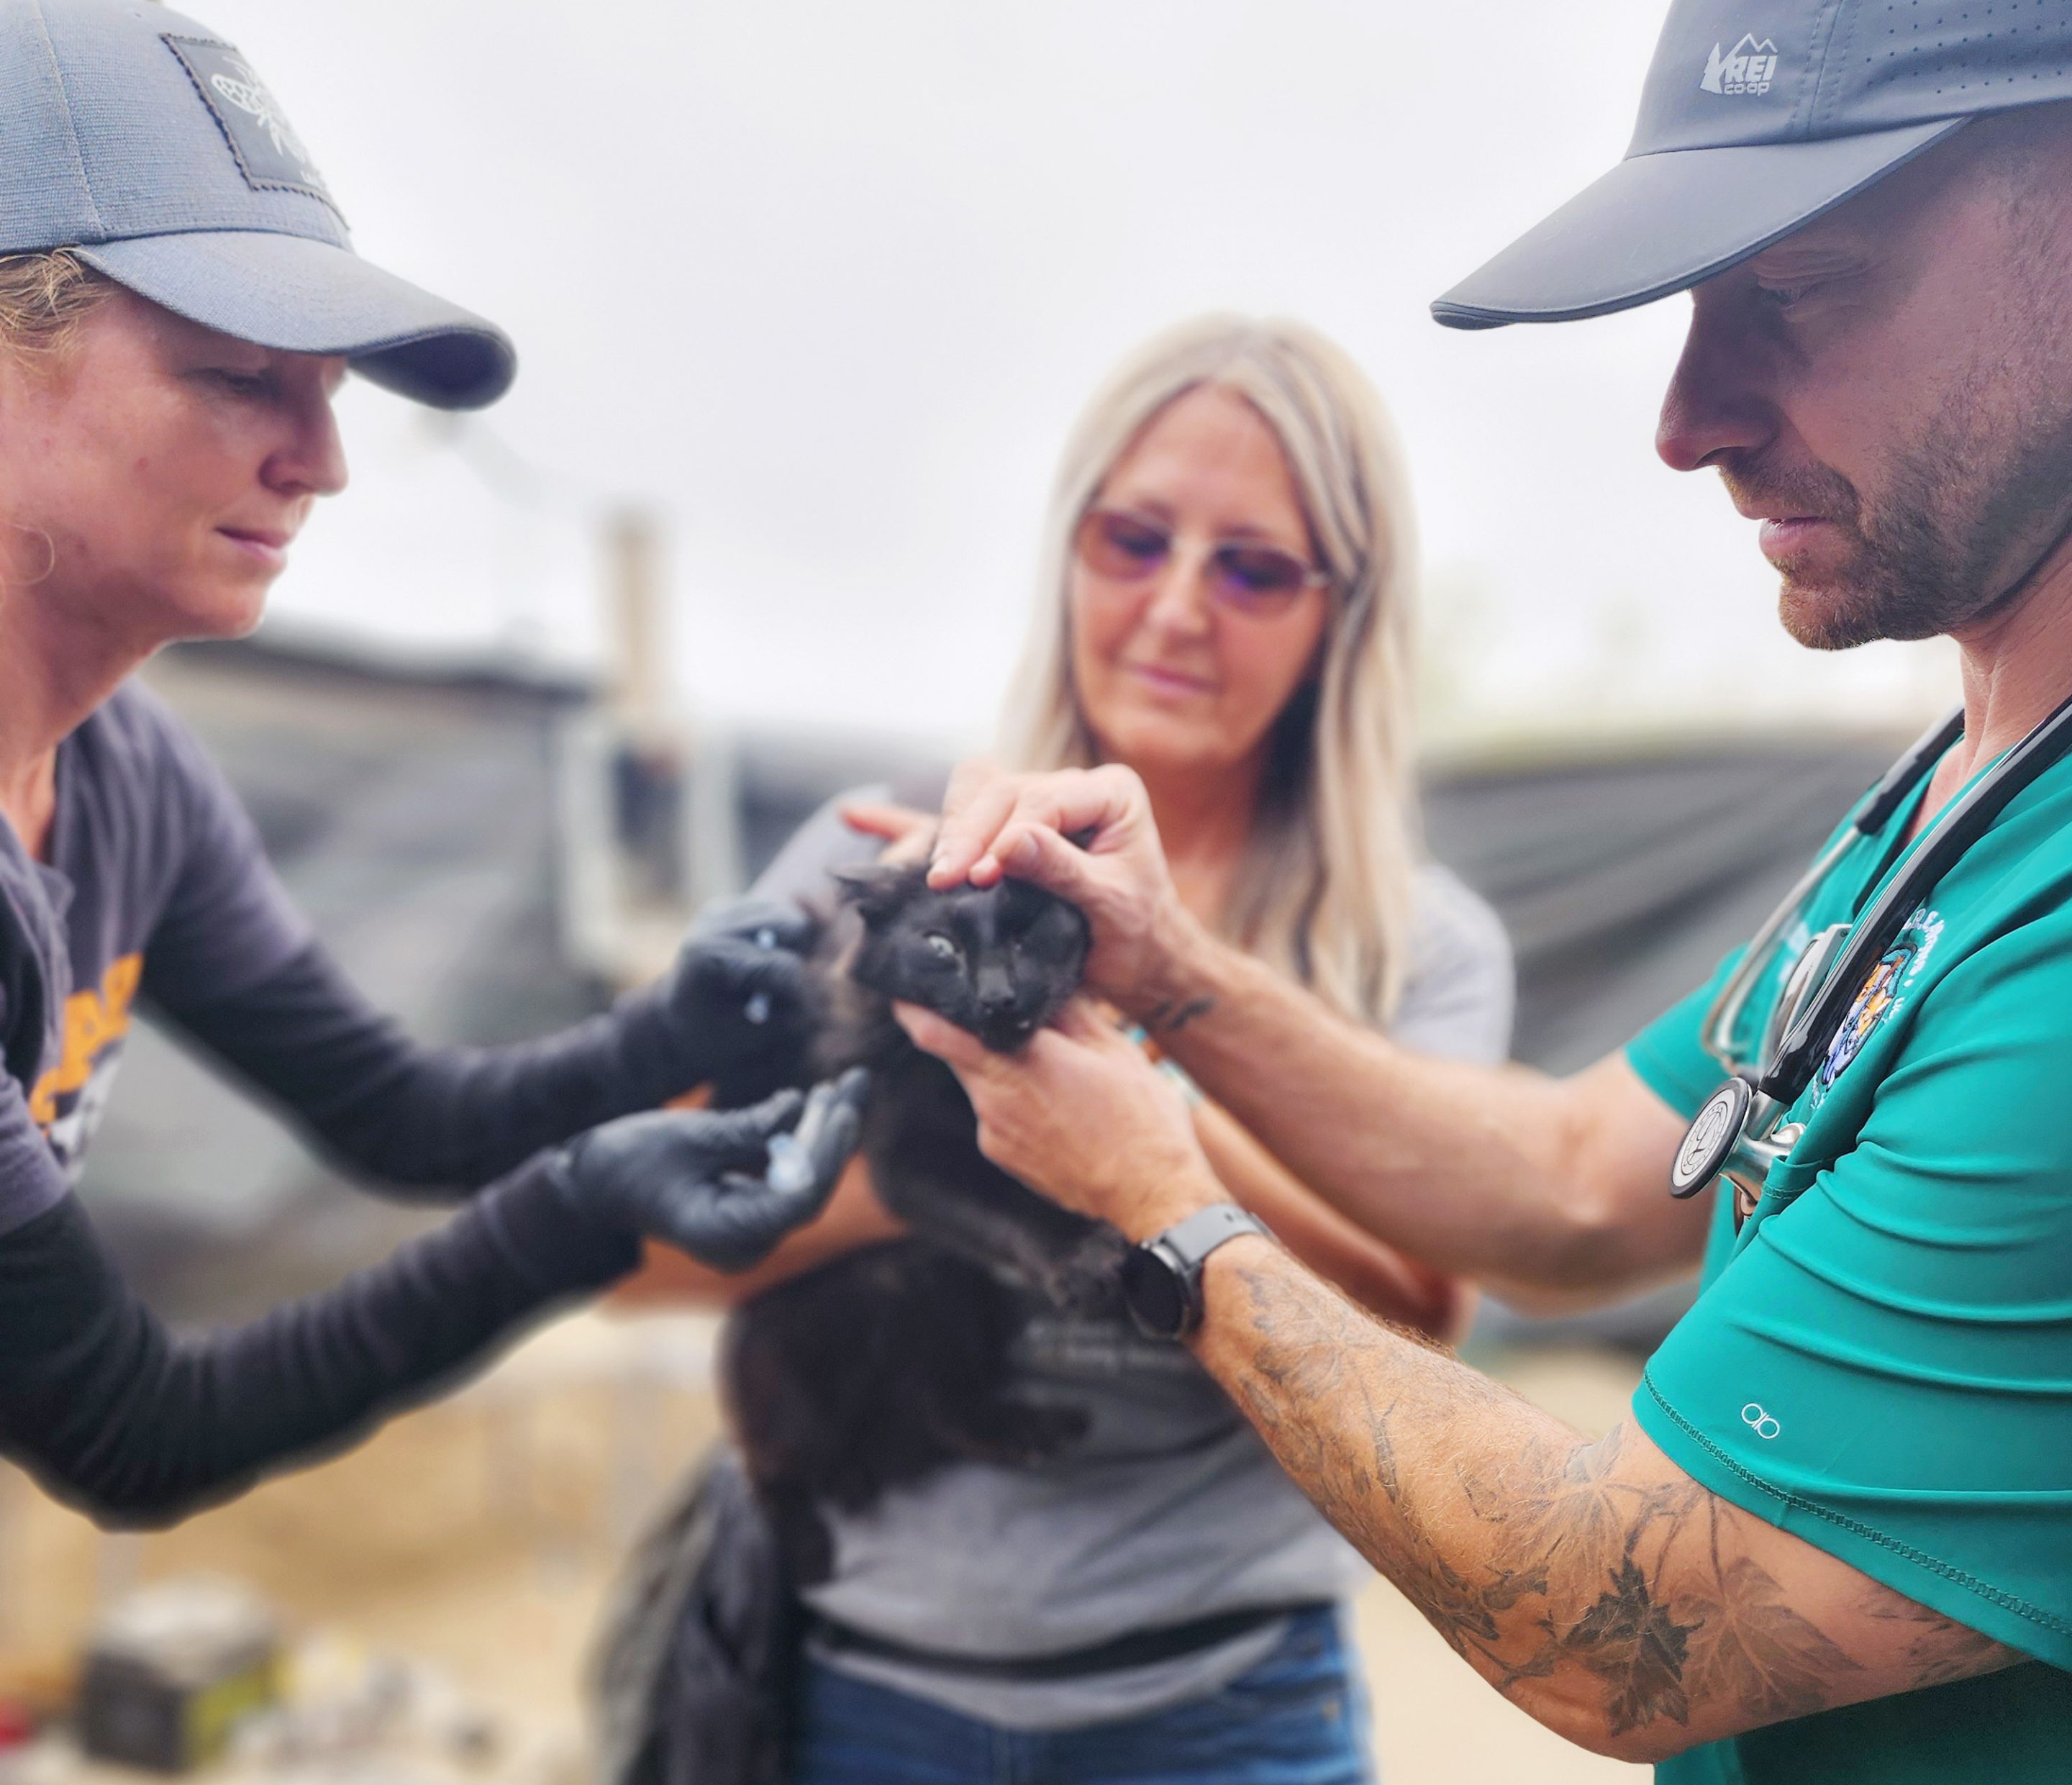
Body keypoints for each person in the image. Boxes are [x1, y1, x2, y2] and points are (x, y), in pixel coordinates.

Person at [899, 8, 2072, 1784]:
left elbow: (1615, 1619)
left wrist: (1152, 1190)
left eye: (1803, 286)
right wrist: (1174, 964)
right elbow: (1580, 1182)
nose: (1688, 420)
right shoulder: (1952, 801)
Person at [0, 0, 866, 1527]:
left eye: (327, 390)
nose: (322, 462)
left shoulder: (123, 773)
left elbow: (403, 1115)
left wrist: (679, 1024)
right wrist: (580, 1208)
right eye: (235, 373)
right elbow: (132, 1424)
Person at [627, 316, 1514, 1784]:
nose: (1174, 610)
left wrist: (1145, 1083)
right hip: (856, 1697)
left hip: (1222, 1711)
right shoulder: (874, 849)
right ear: (1067, 548)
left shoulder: (1414, 942)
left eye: (1251, 565)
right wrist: (931, 1133)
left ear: (1339, 610)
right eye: (1134, 537)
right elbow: (632, 1234)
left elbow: (1423, 1306)